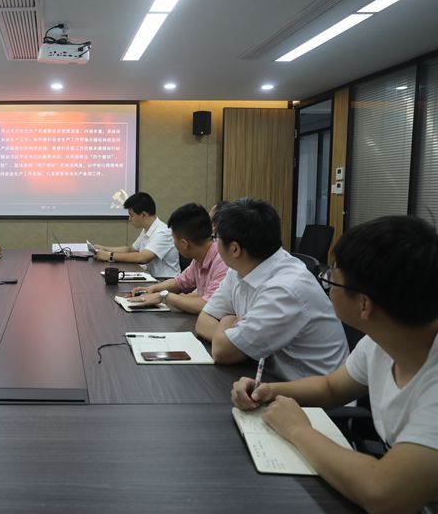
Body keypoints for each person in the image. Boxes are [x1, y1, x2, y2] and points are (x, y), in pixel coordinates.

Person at [231, 215, 438, 513]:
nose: (326, 287)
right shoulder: (382, 340)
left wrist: (297, 429)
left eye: (331, 279)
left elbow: (383, 492)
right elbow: (331, 386)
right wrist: (268, 390)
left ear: (364, 304)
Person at [196, 198, 348, 379]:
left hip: (313, 392)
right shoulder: (238, 269)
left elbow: (222, 351)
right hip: (268, 378)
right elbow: (203, 321)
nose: (214, 244)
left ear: (235, 249)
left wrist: (227, 321)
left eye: (216, 238)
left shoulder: (285, 289)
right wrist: (231, 333)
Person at [126, 203, 227, 314]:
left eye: (174, 239)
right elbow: (180, 282)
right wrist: (152, 289)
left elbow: (208, 306)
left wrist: (164, 297)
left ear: (184, 244)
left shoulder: (223, 260)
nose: (173, 243)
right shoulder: (199, 256)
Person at [92, 192, 180, 278]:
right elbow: (130, 249)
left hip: (165, 280)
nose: (129, 219)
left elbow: (143, 257)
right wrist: (105, 249)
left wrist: (110, 256)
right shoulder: (147, 229)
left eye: (131, 215)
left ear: (143, 215)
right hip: (150, 277)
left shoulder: (163, 232)